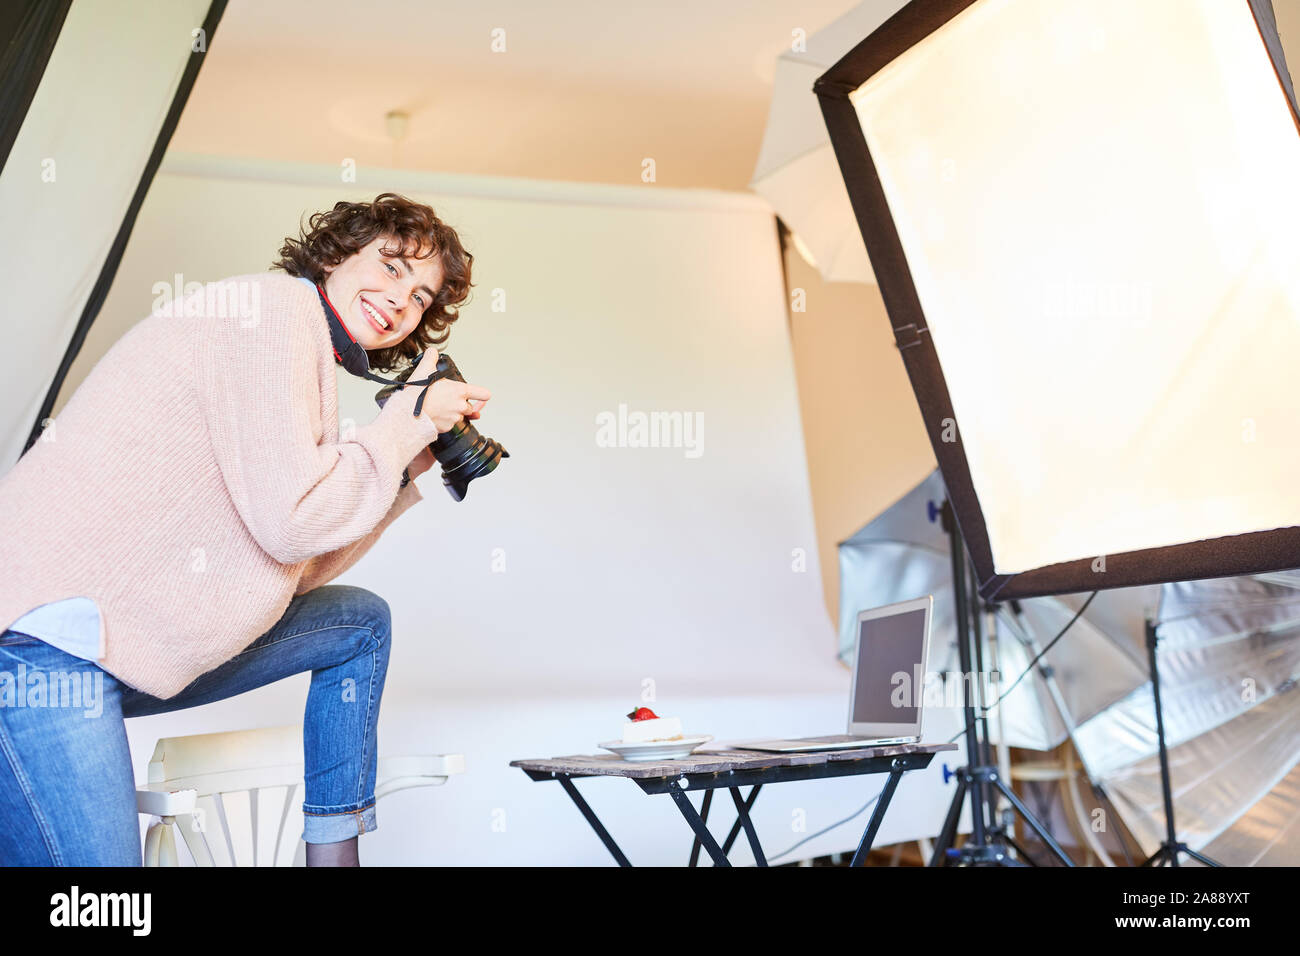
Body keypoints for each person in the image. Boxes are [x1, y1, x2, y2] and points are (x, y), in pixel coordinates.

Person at [0, 192, 491, 866]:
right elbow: (292, 526)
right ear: (340, 253)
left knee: (357, 623)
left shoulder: (300, 352)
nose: (402, 301)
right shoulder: (274, 312)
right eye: (393, 267)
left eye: (422, 298)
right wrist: (403, 421)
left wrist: (404, 465)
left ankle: (332, 852)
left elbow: (293, 564)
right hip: (40, 644)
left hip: (118, 647)